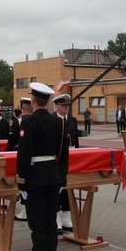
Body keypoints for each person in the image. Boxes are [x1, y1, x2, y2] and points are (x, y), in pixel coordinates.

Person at [16, 82, 69, 251]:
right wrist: (62, 179)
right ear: (47, 101)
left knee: (37, 223)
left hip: (36, 177)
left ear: (32, 100)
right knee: (50, 222)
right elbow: (64, 154)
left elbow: (24, 154)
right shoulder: (58, 122)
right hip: (53, 176)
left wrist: (21, 181)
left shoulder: (28, 122)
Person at [53, 93, 78, 234]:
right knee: (57, 188)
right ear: (56, 106)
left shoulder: (73, 120)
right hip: (58, 158)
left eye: (68, 105)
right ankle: (56, 220)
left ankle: (66, 218)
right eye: (63, 105)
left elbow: (75, 139)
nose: (66, 107)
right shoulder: (52, 120)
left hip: (71, 157)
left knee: (69, 188)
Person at [8, 97, 33, 222]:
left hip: (20, 154)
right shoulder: (36, 120)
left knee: (23, 182)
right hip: (36, 157)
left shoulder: (19, 122)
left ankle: (24, 209)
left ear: (22, 109)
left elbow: (12, 141)